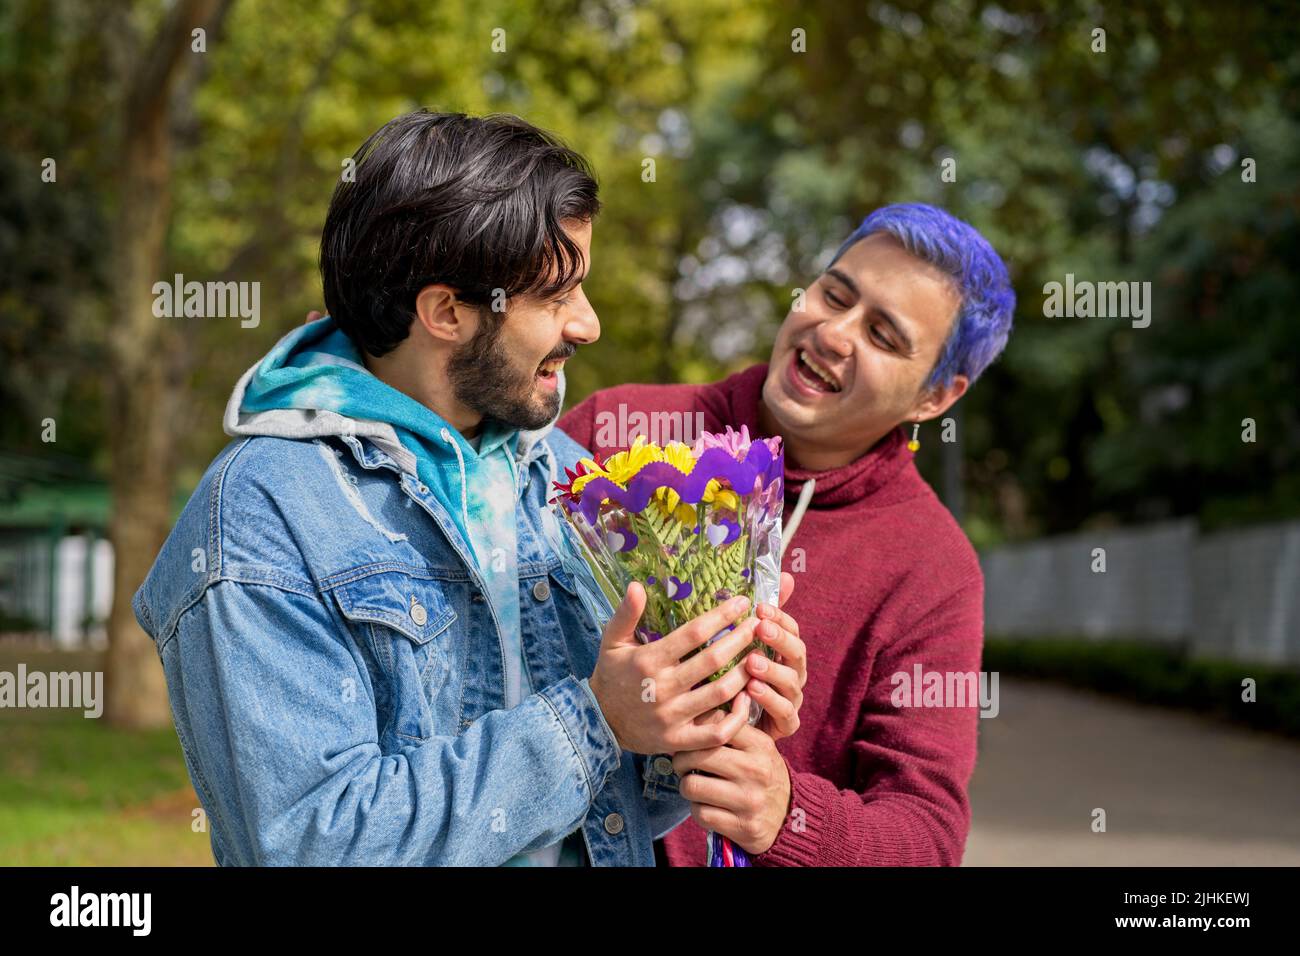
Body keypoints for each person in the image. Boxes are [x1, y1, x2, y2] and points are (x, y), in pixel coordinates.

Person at [132, 109, 805, 866]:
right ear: (446, 312)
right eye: (556, 297)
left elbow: (619, 806)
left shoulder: (560, 472)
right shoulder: (264, 511)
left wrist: (706, 703)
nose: (588, 325)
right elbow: (312, 842)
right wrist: (594, 720)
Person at [559, 203, 1016, 865]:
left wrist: (786, 814)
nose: (833, 332)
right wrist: (601, 708)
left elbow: (927, 837)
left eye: (883, 335)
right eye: (834, 294)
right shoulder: (618, 430)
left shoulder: (932, 568)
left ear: (936, 398)